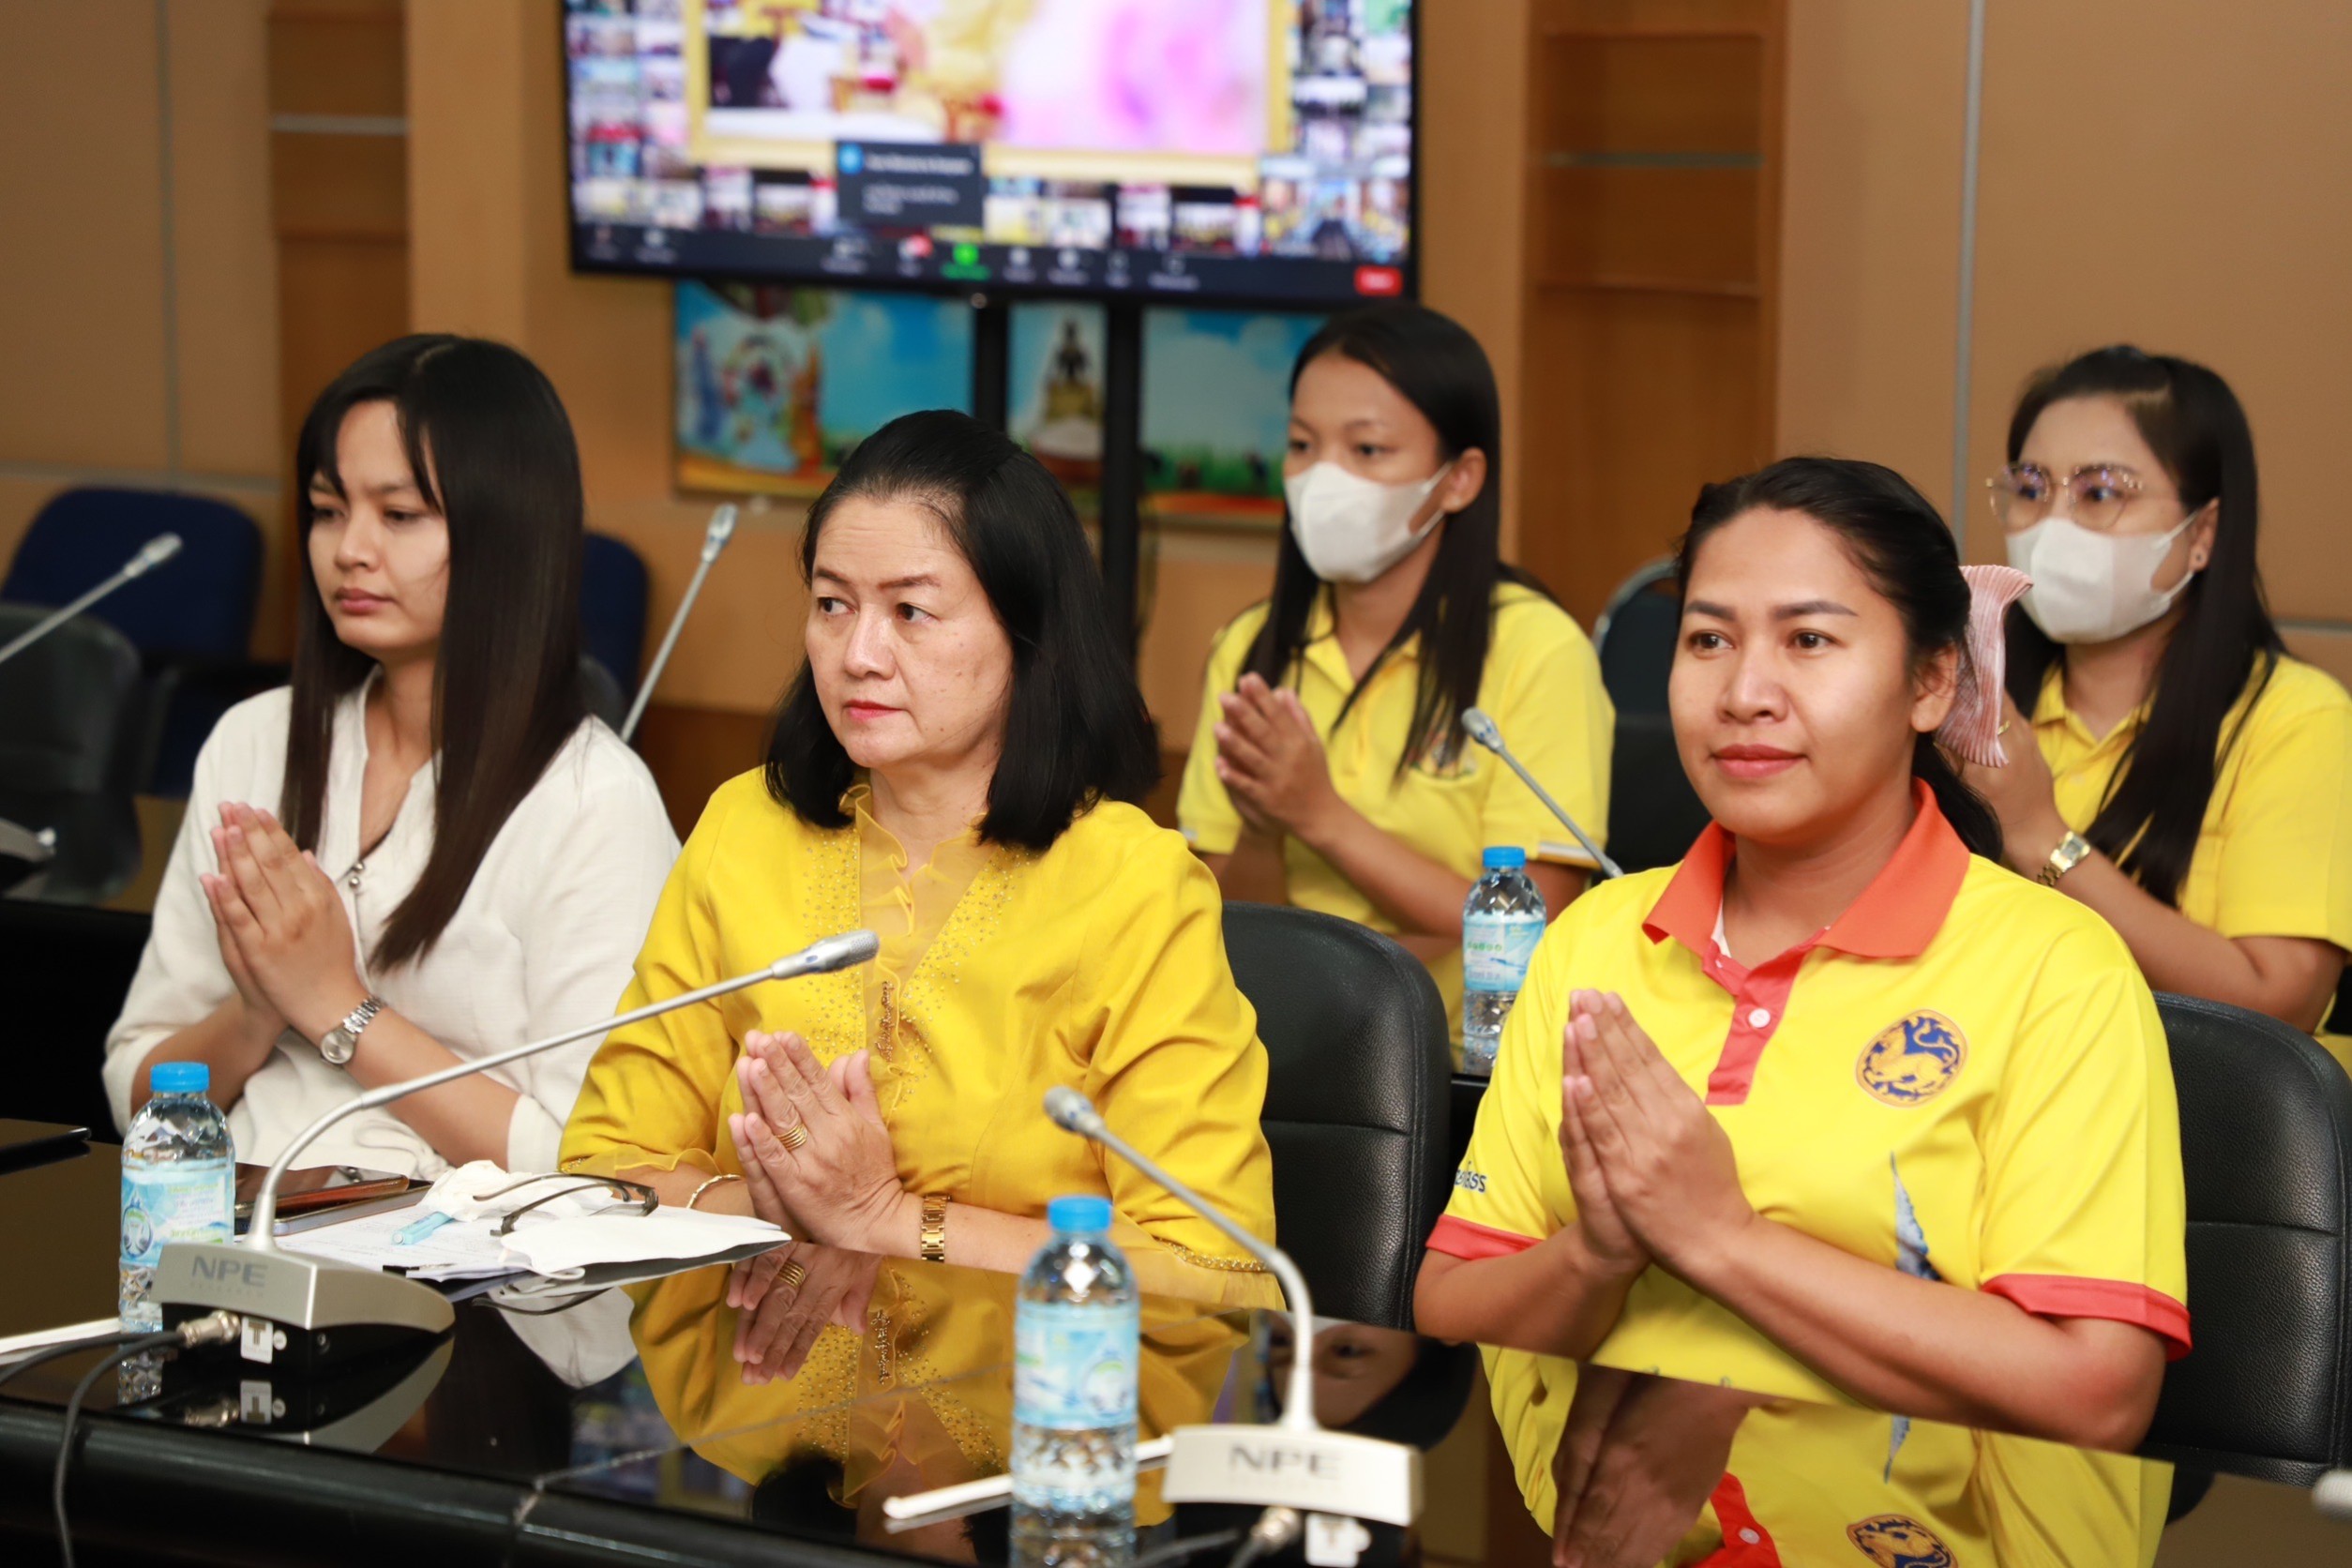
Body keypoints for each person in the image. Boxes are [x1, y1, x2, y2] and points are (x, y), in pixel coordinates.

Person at [1415, 458, 2188, 1454]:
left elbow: (2098, 1393)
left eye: (1809, 639)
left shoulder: (2058, 971)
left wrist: (1720, 1237)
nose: (1744, 692)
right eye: (1708, 640)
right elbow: (1452, 1304)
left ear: (1931, 680)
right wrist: (1600, 1253)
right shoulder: (1594, 943)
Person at [560, 410, 1278, 1304]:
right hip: (756, 1408)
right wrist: (783, 1208)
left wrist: (890, 1222)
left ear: (1026, 636)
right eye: (833, 605)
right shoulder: (744, 829)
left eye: (911, 611)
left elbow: (1222, 1272)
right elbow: (600, 1175)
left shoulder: (1134, 886)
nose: (859, 654)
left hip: (1038, 1413)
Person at [103, 335, 679, 1176]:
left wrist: (337, 1007)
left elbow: (587, 1159)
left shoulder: (595, 800)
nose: (349, 550)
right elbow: (135, 1092)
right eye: (329, 509)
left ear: (507, 534)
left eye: (399, 515)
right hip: (234, 1245)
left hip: (471, 1286)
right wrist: (258, 1011)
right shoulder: (255, 740)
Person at [1176, 304, 1612, 1042]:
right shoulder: (1250, 648)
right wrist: (1261, 829)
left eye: (1368, 450)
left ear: (1459, 479)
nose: (1323, 480)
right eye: (1302, 445)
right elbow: (1228, 929)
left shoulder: (1537, 650)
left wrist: (1320, 818)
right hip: (1276, 1058)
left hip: (1459, 1069)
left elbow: (1538, 927)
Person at [1963, 346, 2352, 1062]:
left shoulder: (2296, 719)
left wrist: (2043, 838)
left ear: (2202, 534)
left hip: (2213, 1133)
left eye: (2100, 492)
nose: (2051, 525)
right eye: (2030, 487)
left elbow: (2279, 1001)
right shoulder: (1967, 703)